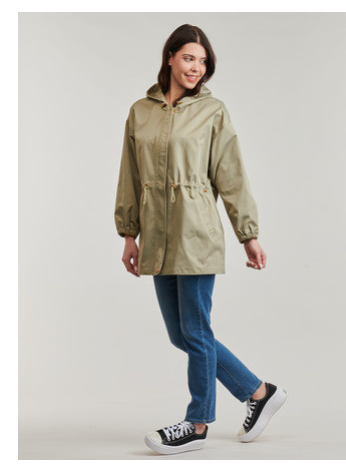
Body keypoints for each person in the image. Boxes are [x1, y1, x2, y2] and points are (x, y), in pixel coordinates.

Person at [114, 24, 287, 455]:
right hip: (156, 236)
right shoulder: (140, 111)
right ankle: (259, 392)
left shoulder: (213, 111)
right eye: (189, 58)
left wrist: (248, 234)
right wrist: (129, 234)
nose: (196, 68)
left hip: (196, 235)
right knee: (183, 335)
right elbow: (129, 175)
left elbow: (231, 175)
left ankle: (197, 423)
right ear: (170, 57)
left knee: (196, 331)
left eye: (203, 61)